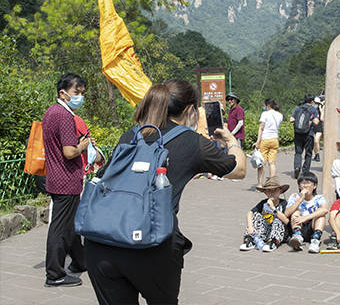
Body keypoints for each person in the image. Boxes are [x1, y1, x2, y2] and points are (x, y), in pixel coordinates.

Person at [85, 79, 246, 305]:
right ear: (190, 110)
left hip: (101, 243)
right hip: (151, 245)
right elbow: (238, 170)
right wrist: (232, 142)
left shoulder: (130, 135)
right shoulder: (192, 141)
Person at [42, 73, 90, 287]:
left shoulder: (51, 112)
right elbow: (70, 152)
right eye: (76, 92)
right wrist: (83, 145)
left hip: (56, 177)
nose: (80, 96)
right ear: (63, 93)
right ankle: (55, 274)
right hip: (66, 179)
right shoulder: (64, 116)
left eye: (82, 93)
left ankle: (80, 261)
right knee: (60, 228)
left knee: (69, 225)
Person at [240, 176, 289, 252]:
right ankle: (250, 239)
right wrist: (250, 227)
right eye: (269, 191)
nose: (272, 193)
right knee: (256, 215)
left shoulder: (283, 203)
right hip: (265, 231)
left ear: (280, 191)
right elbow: (250, 213)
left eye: (274, 190)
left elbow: (286, 221)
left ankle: (273, 242)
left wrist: (273, 208)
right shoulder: (264, 203)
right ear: (266, 192)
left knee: (277, 219)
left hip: (279, 233)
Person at [285, 172, 328, 253]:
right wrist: (300, 199)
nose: (305, 186)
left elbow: (325, 210)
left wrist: (305, 218)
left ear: (314, 186)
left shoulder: (319, 198)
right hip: (297, 226)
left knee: (321, 215)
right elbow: (287, 213)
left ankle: (315, 240)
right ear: (299, 186)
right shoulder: (294, 196)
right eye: (303, 183)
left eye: (308, 183)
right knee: (295, 211)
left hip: (312, 226)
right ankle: (297, 236)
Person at [253, 98, 283, 188]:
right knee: (272, 162)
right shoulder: (280, 115)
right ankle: (272, 184)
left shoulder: (264, 114)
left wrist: (258, 141)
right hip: (275, 139)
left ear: (267, 106)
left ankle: (259, 184)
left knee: (261, 163)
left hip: (265, 139)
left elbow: (261, 128)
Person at [290, 95, 320, 178]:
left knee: (298, 152)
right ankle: (305, 171)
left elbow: (291, 119)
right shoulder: (313, 109)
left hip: (298, 133)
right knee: (309, 153)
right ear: (312, 102)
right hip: (309, 134)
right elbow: (317, 122)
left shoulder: (298, 108)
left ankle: (297, 167)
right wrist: (312, 120)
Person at [312, 95, 324, 162]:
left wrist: (320, 109)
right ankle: (316, 154)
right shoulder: (311, 109)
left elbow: (322, 118)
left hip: (319, 127)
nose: (316, 105)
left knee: (316, 141)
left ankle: (318, 155)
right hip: (312, 127)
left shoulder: (321, 109)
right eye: (315, 103)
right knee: (314, 141)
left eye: (317, 103)